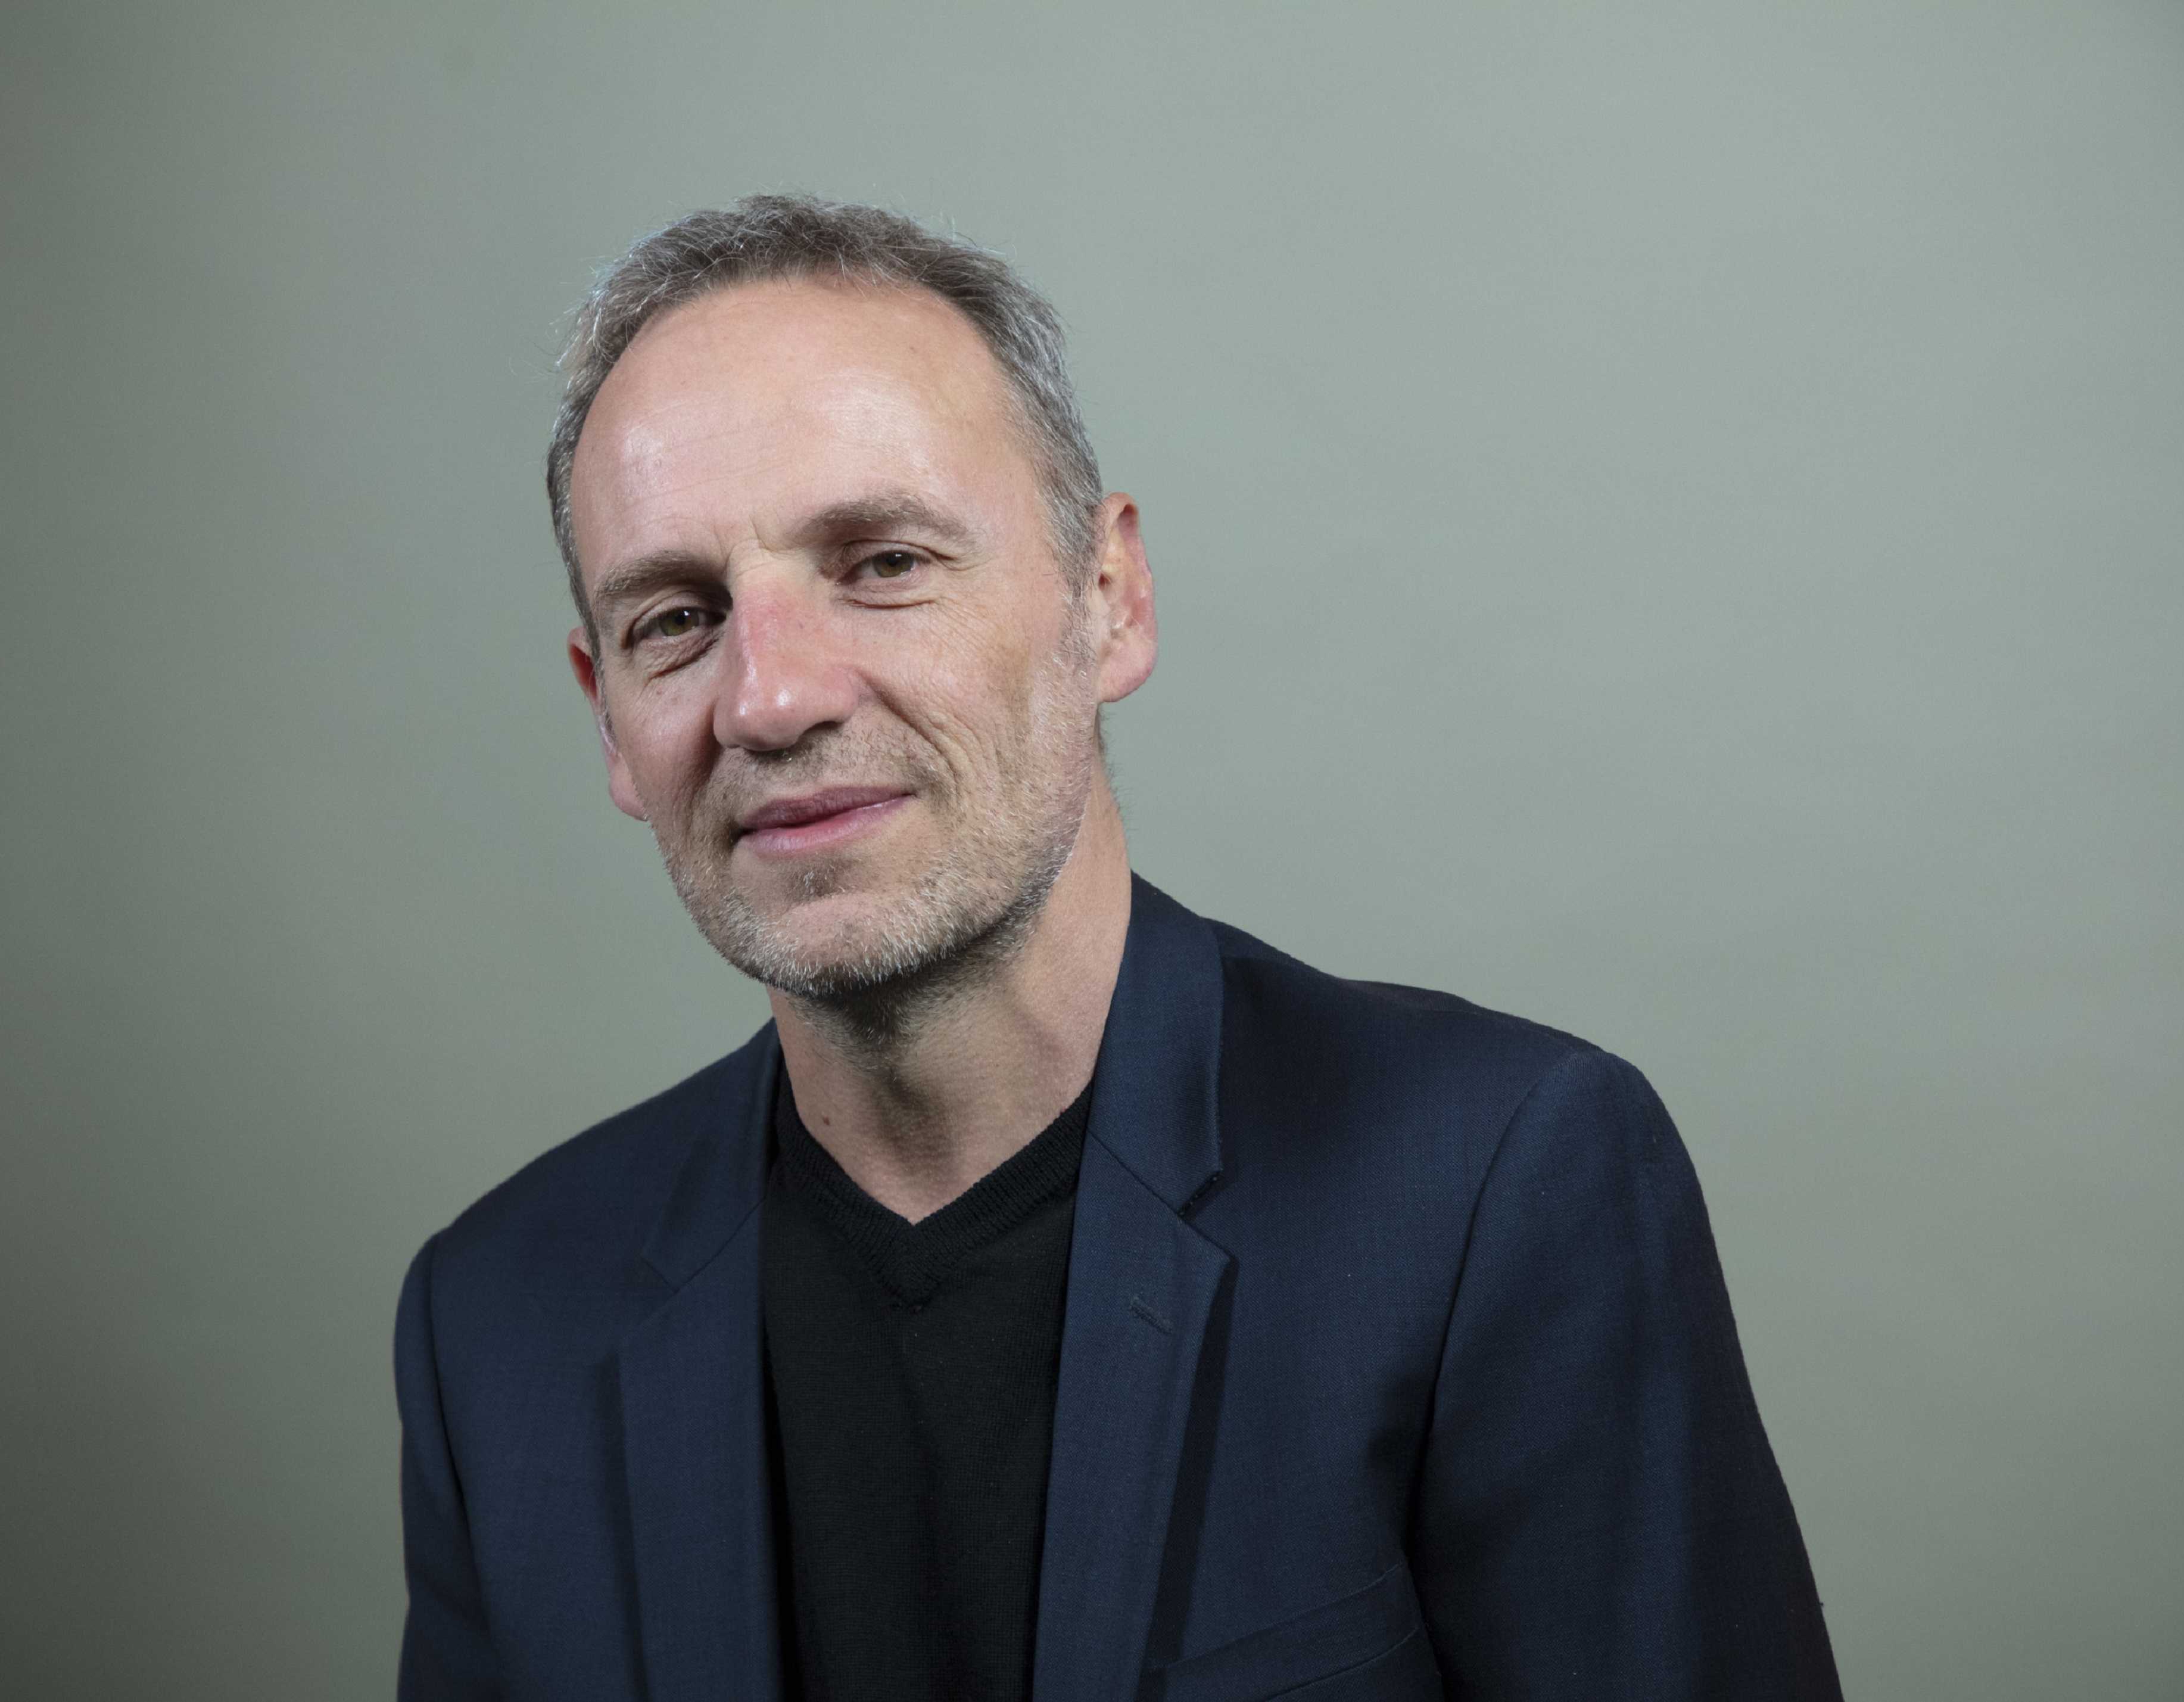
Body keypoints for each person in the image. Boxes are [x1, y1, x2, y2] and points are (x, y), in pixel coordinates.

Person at [394, 194, 1843, 1702]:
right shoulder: (493, 1321)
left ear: (1109, 599)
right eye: (679, 618)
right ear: (609, 722)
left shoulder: (1494, 1187)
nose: (769, 698)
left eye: (882, 562)